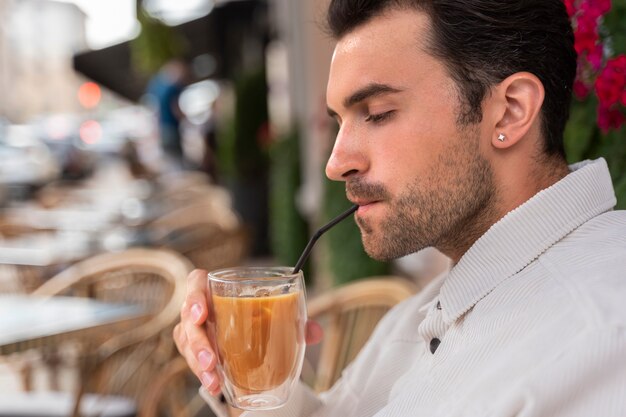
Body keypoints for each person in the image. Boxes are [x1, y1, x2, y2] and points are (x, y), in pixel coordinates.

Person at [173, 1, 626, 416]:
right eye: (339, 121)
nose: (336, 163)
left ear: (509, 111)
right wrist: (246, 371)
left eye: (377, 112)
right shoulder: (419, 314)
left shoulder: (600, 343)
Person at [145, 59, 190, 170]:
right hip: (172, 129)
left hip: (163, 130)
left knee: (171, 163)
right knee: (179, 162)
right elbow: (175, 108)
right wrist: (185, 118)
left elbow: (154, 110)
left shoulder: (157, 86)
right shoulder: (173, 88)